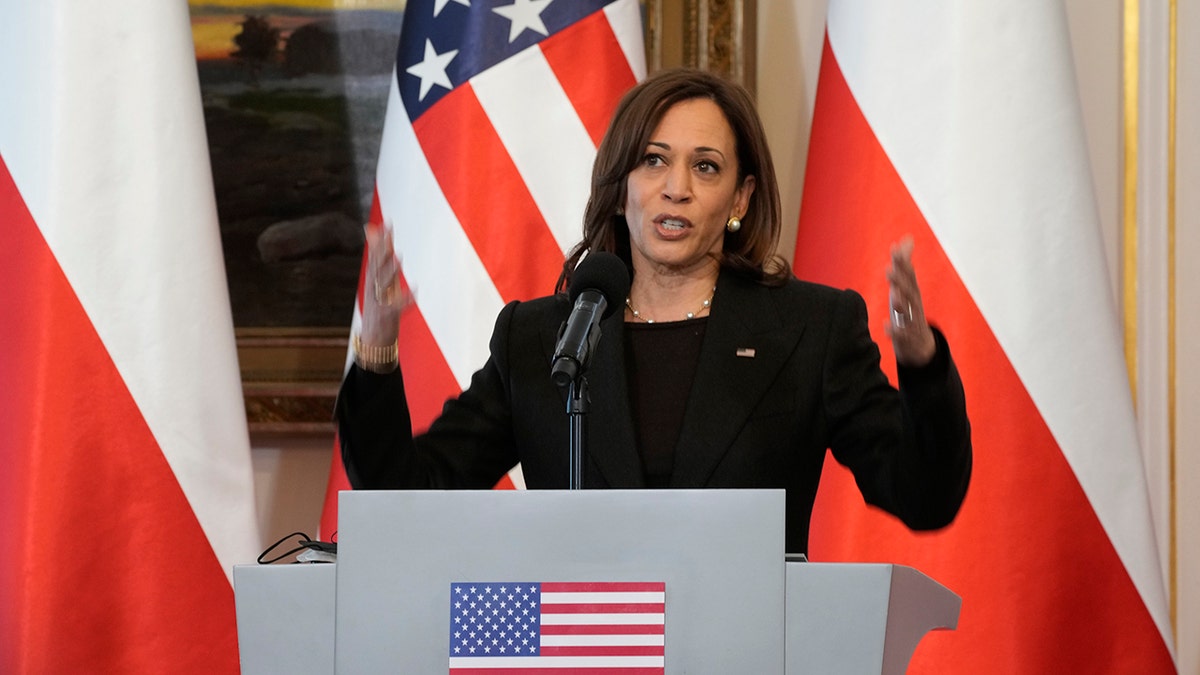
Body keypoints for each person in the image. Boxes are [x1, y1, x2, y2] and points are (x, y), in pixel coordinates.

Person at [337, 68, 972, 555]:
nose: (677, 187)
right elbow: (407, 496)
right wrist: (376, 351)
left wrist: (921, 366)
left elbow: (924, 495)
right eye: (654, 160)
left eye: (705, 166)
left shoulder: (808, 329)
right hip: (580, 657)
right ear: (621, 189)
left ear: (740, 199)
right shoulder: (539, 338)